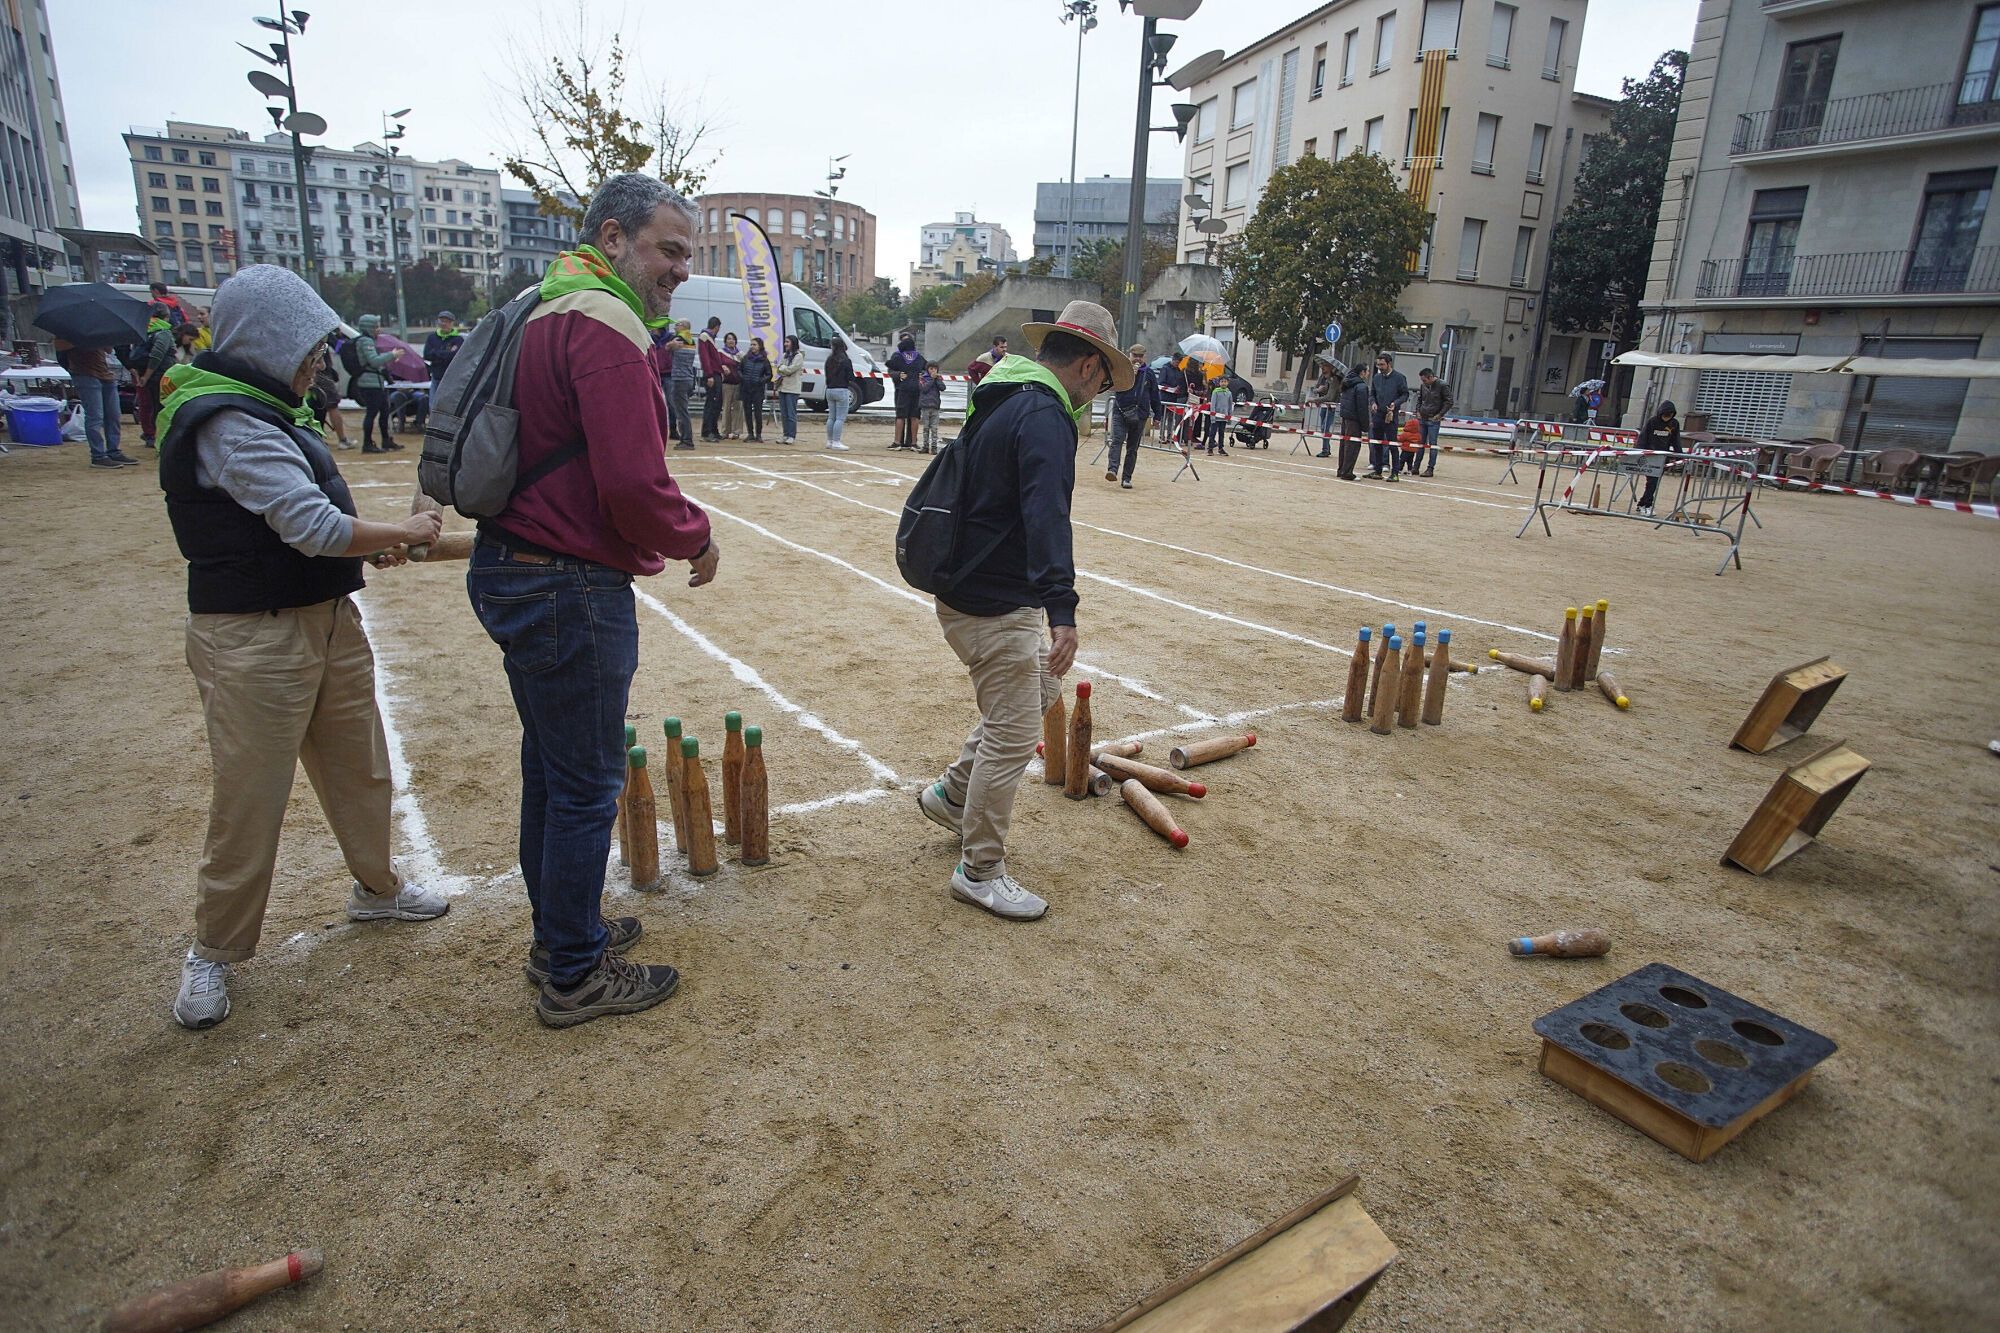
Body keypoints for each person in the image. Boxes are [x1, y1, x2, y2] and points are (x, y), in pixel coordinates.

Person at [157, 264, 449, 1030]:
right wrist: (406, 532)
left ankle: (376, 890)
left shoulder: (276, 409)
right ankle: (214, 949)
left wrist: (371, 546)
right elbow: (313, 527)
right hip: (253, 634)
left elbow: (321, 531)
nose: (319, 359)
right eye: (310, 345)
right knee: (250, 795)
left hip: (325, 616)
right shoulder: (225, 421)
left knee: (360, 763)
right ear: (267, 340)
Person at [468, 172, 717, 1029]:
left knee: (552, 768)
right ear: (613, 238)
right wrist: (698, 533)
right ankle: (573, 971)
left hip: (515, 564)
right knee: (583, 784)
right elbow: (635, 484)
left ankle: (561, 933)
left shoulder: (545, 303)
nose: (681, 269)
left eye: (689, 254)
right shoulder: (605, 322)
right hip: (566, 578)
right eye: (669, 249)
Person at [916, 300, 1130, 922]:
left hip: (972, 583)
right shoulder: (1044, 415)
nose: (1099, 395)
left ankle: (954, 795)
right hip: (994, 598)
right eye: (1104, 381)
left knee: (1035, 689)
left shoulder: (1008, 393)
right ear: (1089, 366)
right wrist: (1061, 610)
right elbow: (1046, 517)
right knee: (1013, 735)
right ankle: (979, 869)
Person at [55, 339, 136, 468]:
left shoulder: (97, 326)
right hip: (84, 374)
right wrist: (85, 340)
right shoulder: (68, 329)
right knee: (95, 416)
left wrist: (102, 338)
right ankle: (98, 455)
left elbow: (109, 349)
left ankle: (113, 451)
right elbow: (59, 347)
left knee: (113, 415)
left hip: (105, 373)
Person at [1105, 343, 1160, 490]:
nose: (1137, 359)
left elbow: (1155, 395)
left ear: (1145, 357)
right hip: (1120, 410)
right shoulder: (1122, 369)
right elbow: (1112, 386)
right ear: (1129, 355)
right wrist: (1129, 376)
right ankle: (1112, 469)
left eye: (1140, 356)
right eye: (1135, 356)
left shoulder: (1149, 373)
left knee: (1132, 448)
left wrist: (1157, 416)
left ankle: (1127, 478)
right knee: (1117, 440)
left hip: (1140, 414)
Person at [350, 314, 398, 453]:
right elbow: (374, 361)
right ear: (369, 327)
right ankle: (367, 443)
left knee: (384, 411)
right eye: (376, 326)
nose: (379, 329)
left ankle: (386, 440)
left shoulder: (368, 340)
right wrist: (392, 355)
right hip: (369, 384)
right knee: (372, 413)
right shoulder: (366, 341)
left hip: (376, 382)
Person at [133, 303, 178, 447]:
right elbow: (157, 355)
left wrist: (142, 374)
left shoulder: (145, 330)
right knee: (161, 407)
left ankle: (152, 434)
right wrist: (147, 375)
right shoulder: (163, 331)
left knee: (152, 406)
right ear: (166, 317)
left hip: (147, 374)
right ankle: (160, 437)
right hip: (160, 375)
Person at [1367, 353, 1410, 480]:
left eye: (1382, 364)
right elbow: (1372, 393)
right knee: (1377, 443)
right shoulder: (1376, 378)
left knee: (1392, 444)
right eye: (1378, 364)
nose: (1379, 367)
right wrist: (1373, 403)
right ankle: (1378, 470)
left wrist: (1395, 404)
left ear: (1389, 364)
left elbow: (1405, 395)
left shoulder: (1399, 378)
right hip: (1378, 415)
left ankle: (1395, 472)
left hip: (1391, 415)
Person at [1636, 400, 1681, 516]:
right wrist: (1638, 452)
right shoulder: (1652, 422)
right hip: (1649, 456)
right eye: (1665, 415)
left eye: (1669, 416)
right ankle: (1647, 505)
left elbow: (1676, 440)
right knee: (1652, 482)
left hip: (1662, 457)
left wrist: (1679, 456)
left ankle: (1643, 503)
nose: (1667, 418)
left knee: (1653, 483)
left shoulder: (1674, 424)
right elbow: (1643, 437)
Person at [1413, 367, 1454, 477]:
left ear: (1431, 377)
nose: (1423, 383)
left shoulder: (1442, 385)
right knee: (1420, 443)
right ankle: (1415, 467)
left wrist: (1440, 414)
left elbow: (1449, 401)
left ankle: (1430, 468)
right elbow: (1420, 399)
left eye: (1425, 380)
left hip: (1433, 419)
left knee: (1432, 444)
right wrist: (1418, 410)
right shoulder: (1423, 386)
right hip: (1423, 417)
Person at [888, 333, 926, 449]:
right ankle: (913, 443)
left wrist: (899, 374)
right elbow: (927, 367)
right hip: (915, 388)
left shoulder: (898, 357)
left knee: (901, 416)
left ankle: (898, 442)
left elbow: (890, 368)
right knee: (914, 416)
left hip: (903, 389)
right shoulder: (918, 357)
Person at [665, 320, 698, 449]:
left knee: (681, 411)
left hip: (679, 379)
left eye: (677, 324)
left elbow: (667, 348)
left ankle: (687, 440)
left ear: (683, 327)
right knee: (683, 409)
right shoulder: (692, 340)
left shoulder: (678, 339)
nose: (675, 327)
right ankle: (686, 438)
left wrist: (670, 344)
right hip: (689, 378)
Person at [1337, 366, 1371, 480]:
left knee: (1344, 445)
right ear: (1362, 372)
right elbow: (1362, 408)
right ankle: (1347, 472)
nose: (1368, 373)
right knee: (1352, 446)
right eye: (1367, 371)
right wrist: (1365, 425)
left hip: (1345, 417)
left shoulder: (1348, 383)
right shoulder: (1361, 387)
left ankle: (1342, 469)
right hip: (1354, 420)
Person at [697, 315, 727, 440]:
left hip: (716, 373)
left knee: (716, 404)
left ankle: (713, 430)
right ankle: (707, 431)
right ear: (717, 327)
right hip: (712, 374)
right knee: (712, 403)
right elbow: (705, 358)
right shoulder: (705, 337)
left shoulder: (710, 338)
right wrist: (709, 375)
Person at [823, 339, 855, 452]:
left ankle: (829, 441)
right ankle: (836, 441)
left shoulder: (829, 360)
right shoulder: (846, 360)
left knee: (831, 417)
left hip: (830, 389)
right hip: (841, 389)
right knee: (840, 418)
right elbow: (851, 377)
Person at [738, 335, 771, 442]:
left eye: (754, 345)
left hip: (757, 390)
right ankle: (750, 434)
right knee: (747, 412)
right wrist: (742, 378)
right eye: (751, 344)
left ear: (760, 346)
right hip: (746, 389)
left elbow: (769, 375)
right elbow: (739, 369)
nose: (752, 346)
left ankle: (759, 435)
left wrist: (760, 381)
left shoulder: (764, 360)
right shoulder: (746, 358)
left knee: (758, 413)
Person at [775, 334, 805, 444]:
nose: (785, 344)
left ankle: (792, 435)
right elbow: (779, 368)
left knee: (791, 413)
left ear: (793, 343)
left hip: (792, 389)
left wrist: (783, 368)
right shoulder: (785, 355)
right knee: (784, 413)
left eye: (787, 342)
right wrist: (783, 368)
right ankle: (785, 434)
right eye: (785, 342)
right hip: (783, 387)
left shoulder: (799, 356)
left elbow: (790, 370)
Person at [423, 310, 466, 384]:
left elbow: (456, 357)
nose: (444, 324)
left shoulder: (458, 339)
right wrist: (447, 353)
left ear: (452, 323)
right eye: (442, 321)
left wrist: (435, 352)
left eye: (447, 322)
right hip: (436, 377)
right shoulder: (432, 337)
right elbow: (427, 355)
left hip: (452, 377)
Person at [1156, 354, 1188, 445]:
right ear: (1173, 360)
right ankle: (1161, 436)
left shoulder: (1179, 370)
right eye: (1176, 362)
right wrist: (1171, 388)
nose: (1177, 364)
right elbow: (1160, 383)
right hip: (1165, 397)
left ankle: (1170, 435)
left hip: (1174, 398)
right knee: (1163, 417)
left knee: (1171, 418)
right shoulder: (1165, 368)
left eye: (1179, 363)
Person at [718, 331, 744, 438]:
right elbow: (716, 364)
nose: (731, 341)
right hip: (727, 384)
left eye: (733, 339)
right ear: (725, 341)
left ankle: (736, 431)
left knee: (738, 408)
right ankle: (725, 431)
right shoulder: (721, 352)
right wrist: (722, 367)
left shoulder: (740, 354)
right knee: (726, 407)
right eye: (729, 339)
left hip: (738, 384)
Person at [917, 359, 945, 453]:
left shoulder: (939, 378)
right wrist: (932, 379)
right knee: (925, 428)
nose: (933, 371)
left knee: (934, 428)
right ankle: (925, 446)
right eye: (931, 368)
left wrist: (937, 379)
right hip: (925, 406)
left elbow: (943, 388)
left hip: (935, 406)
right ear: (927, 369)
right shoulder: (922, 378)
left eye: (935, 369)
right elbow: (924, 389)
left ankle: (934, 447)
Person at [1205, 368, 1233, 456]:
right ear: (1219, 383)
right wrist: (1212, 416)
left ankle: (1221, 448)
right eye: (1222, 381)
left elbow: (1230, 405)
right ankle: (1210, 448)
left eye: (1225, 381)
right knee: (1212, 432)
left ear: (1228, 383)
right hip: (1216, 416)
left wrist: (1229, 416)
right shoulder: (1215, 392)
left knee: (1222, 433)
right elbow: (1213, 404)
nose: (1223, 383)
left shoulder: (1229, 393)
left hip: (1224, 417)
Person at [1312, 368, 1336, 457]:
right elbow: (1315, 388)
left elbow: (1331, 396)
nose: (1323, 370)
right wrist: (1319, 390)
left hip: (1331, 406)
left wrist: (1316, 399)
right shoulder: (1322, 377)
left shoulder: (1334, 380)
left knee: (1325, 427)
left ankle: (1325, 449)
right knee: (1323, 428)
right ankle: (1327, 448)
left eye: (1325, 368)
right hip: (1323, 405)